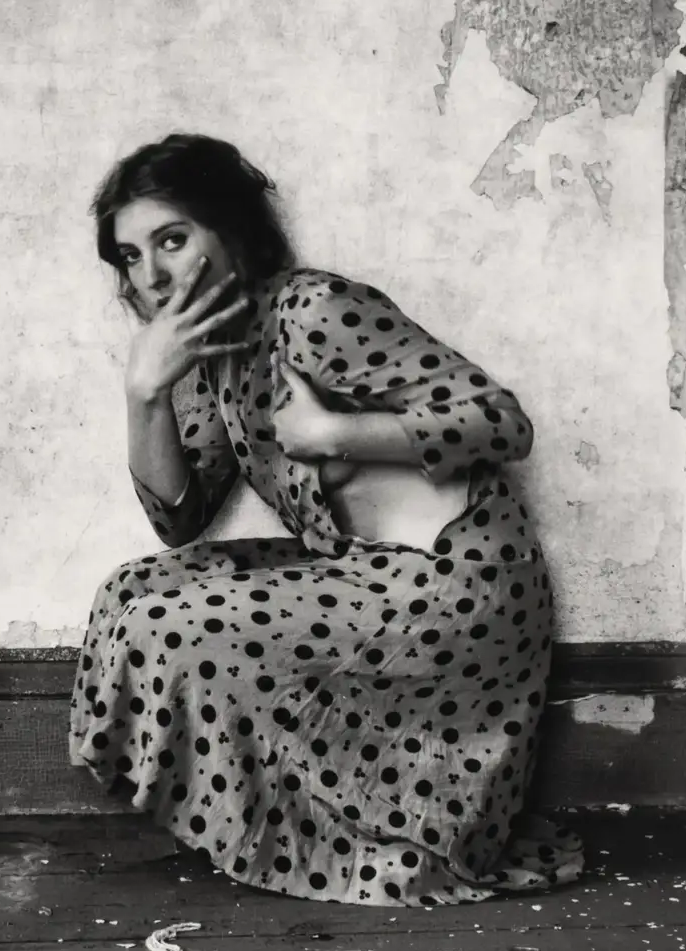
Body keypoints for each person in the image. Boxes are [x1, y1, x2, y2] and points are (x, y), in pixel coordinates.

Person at [69, 133, 584, 906]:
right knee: (130, 593)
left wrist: (334, 434)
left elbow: (501, 422)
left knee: (165, 627)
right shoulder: (216, 354)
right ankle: (306, 827)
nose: (152, 274)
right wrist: (144, 394)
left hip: (455, 582)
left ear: (231, 231)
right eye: (131, 257)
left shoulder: (315, 310)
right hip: (364, 572)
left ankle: (364, 838)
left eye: (172, 239)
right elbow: (178, 522)